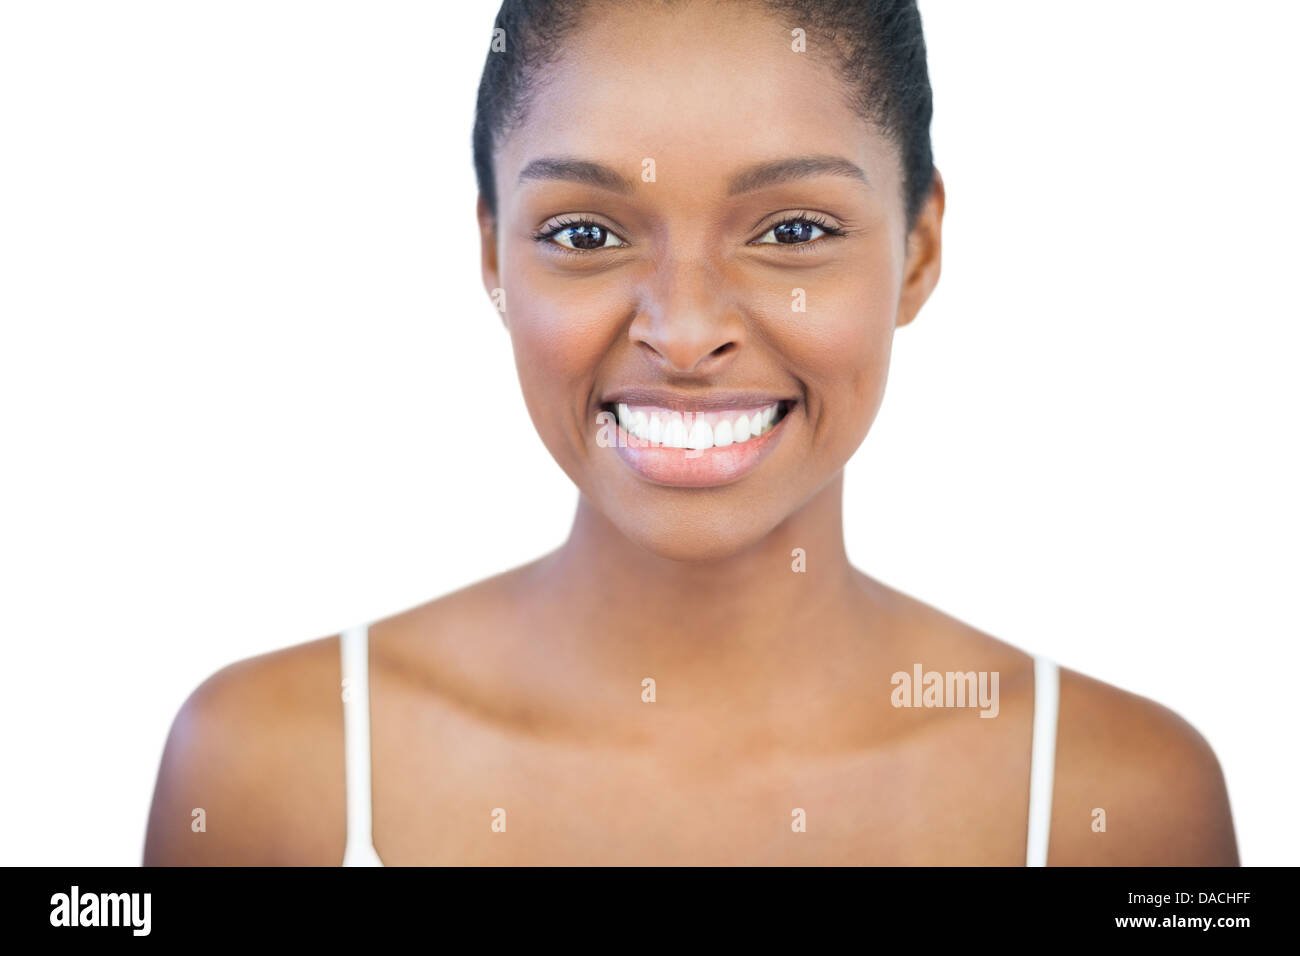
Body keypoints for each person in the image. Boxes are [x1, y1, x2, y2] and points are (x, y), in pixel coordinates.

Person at [145, 0, 1238, 865]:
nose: (684, 330)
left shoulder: (1119, 798)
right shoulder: (270, 770)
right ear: (492, 254)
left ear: (915, 250)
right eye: (584, 231)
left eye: (793, 229)